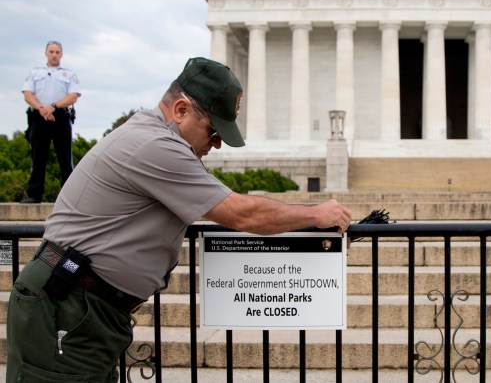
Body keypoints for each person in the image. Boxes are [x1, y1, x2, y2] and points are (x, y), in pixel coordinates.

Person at [6, 57, 352, 382]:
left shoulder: (151, 136)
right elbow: (241, 213)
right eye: (213, 132)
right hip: (68, 305)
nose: (215, 145)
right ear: (182, 110)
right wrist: (316, 214)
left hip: (82, 305)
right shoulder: (156, 145)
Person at [20, 40, 81, 203]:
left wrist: (53, 107)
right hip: (39, 117)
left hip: (60, 117)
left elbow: (73, 95)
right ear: (46, 53)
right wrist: (42, 109)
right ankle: (34, 194)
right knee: (37, 157)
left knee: (65, 158)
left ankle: (69, 198)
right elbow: (27, 94)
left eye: (57, 52)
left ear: (61, 54)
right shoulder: (35, 72)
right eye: (51, 51)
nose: (54, 55)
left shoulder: (68, 74)